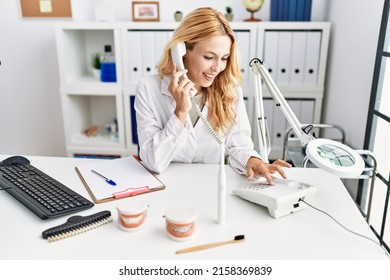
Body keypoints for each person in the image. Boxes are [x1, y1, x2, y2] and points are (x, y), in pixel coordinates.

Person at [134, 7, 291, 185]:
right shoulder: (149, 88)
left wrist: (252, 160)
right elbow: (152, 161)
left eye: (224, 58)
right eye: (209, 57)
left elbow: (238, 146)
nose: (217, 67)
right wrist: (180, 113)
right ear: (182, 51)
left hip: (211, 186)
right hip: (164, 186)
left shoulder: (230, 91)